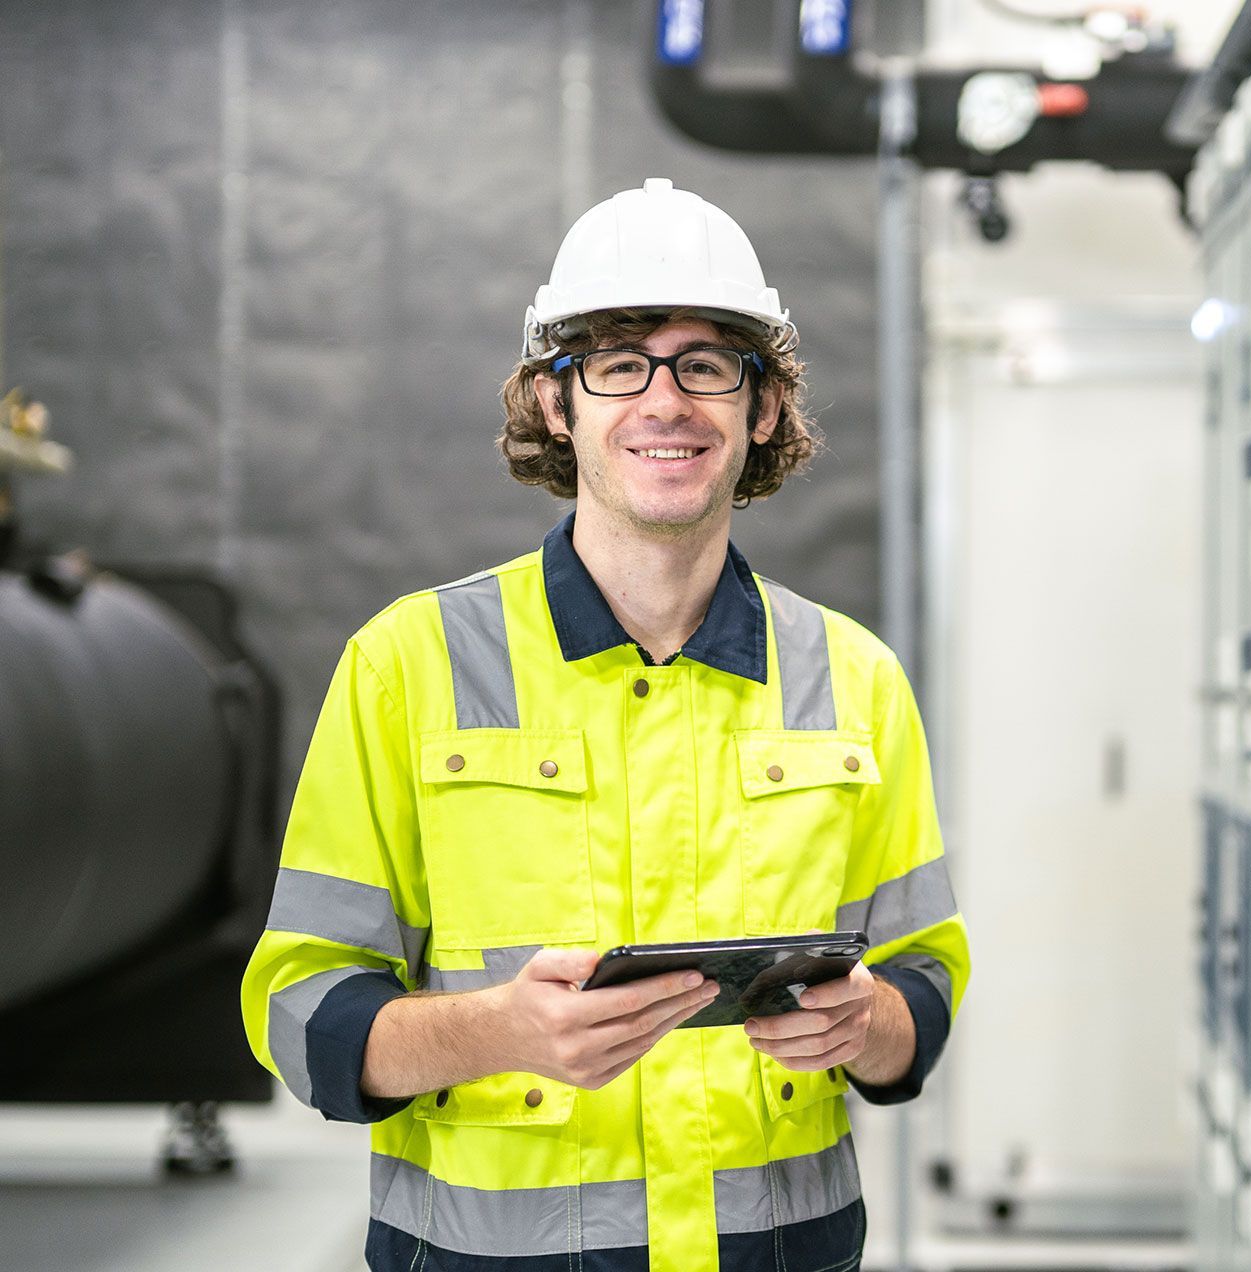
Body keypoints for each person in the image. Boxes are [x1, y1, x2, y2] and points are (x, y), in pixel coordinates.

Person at [240, 178, 969, 1272]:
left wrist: (864, 1022)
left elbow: (924, 990)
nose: (664, 402)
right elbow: (302, 1017)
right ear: (554, 401)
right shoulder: (407, 664)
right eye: (619, 363)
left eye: (706, 365)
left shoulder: (854, 677)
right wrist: (504, 1031)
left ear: (761, 407)